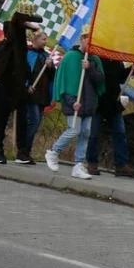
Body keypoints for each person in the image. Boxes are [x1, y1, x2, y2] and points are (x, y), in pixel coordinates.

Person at [46, 26, 104, 180]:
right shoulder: (71, 57)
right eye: (88, 39)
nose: (90, 42)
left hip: (89, 103)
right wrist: (72, 102)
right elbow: (65, 83)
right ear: (82, 39)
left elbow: (99, 80)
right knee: (74, 130)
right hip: (74, 103)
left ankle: (78, 164)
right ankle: (53, 151)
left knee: (85, 133)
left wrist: (89, 67)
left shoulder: (95, 59)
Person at [0, 2, 41, 164]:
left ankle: (22, 152)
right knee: (1, 121)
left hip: (18, 89)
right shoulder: (1, 47)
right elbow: (0, 67)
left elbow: (24, 68)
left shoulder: (22, 48)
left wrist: (28, 83)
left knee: (23, 121)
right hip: (3, 88)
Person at [86, 56, 134, 177]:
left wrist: (131, 70)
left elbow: (120, 78)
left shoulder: (116, 59)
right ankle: (92, 162)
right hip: (98, 102)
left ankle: (121, 164)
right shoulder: (96, 59)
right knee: (93, 134)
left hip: (114, 102)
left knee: (120, 133)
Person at [22, 30, 55, 164]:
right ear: (34, 40)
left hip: (42, 94)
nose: (45, 41)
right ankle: (24, 149)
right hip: (31, 93)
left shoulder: (46, 56)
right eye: (43, 39)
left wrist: (51, 66)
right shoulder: (27, 54)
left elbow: (52, 76)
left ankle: (26, 150)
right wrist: (26, 86)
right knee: (33, 120)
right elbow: (23, 72)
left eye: (46, 39)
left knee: (36, 123)